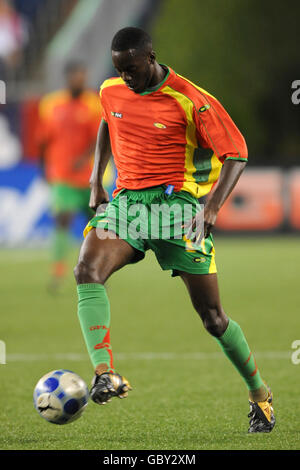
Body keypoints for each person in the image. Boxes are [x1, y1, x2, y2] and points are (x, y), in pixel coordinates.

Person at [74, 27, 275, 433]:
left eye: (131, 69)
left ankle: (260, 395)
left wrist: (213, 208)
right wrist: (97, 178)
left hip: (175, 209)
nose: (126, 78)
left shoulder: (191, 99)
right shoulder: (111, 90)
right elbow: (106, 122)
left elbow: (237, 152)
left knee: (213, 319)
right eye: (120, 70)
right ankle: (104, 374)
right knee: (87, 271)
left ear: (150, 58)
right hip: (127, 204)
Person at [37, 61, 100, 291]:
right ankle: (58, 273)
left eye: (82, 75)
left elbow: (100, 139)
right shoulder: (51, 104)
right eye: (75, 75)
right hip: (62, 175)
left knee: (94, 226)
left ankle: (96, 271)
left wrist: (85, 158)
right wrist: (42, 168)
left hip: (89, 177)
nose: (79, 79)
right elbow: (43, 140)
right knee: (62, 219)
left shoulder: (94, 104)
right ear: (67, 77)